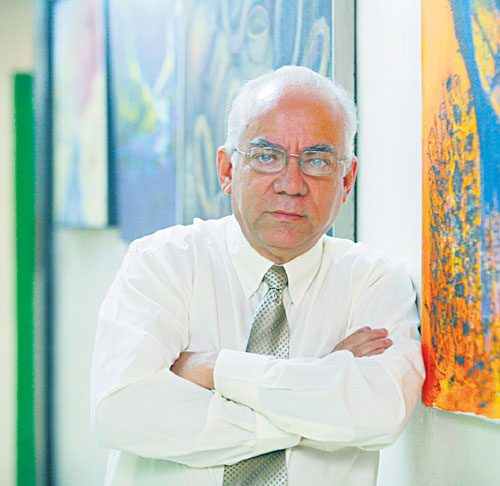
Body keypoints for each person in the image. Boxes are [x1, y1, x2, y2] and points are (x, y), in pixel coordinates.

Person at [91, 65, 424, 485]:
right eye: (267, 157)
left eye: (317, 161)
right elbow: (122, 414)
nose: (291, 184)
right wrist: (316, 392)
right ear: (227, 170)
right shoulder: (162, 263)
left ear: (346, 180)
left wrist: (215, 369)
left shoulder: (375, 282)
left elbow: (380, 412)